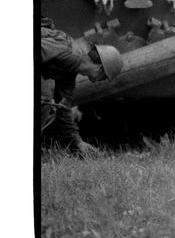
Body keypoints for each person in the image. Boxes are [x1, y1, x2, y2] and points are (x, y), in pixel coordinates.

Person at [41, 18, 123, 157]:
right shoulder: (69, 52)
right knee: (44, 100)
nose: (97, 81)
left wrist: (78, 142)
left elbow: (63, 107)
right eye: (103, 77)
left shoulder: (70, 71)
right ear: (99, 68)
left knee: (48, 104)